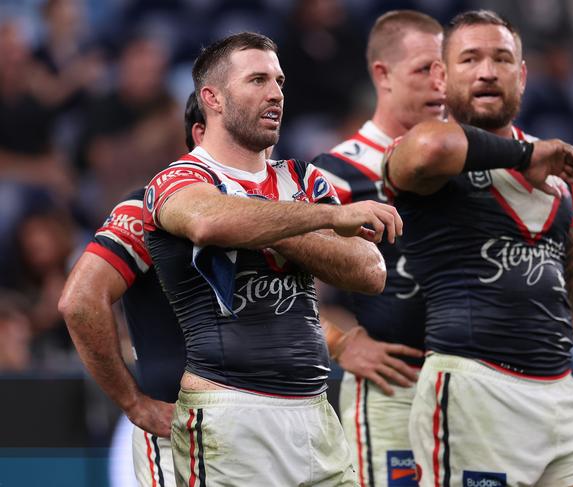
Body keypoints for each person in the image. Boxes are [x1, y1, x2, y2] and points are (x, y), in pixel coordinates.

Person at [383, 10, 573, 486]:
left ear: (522, 76)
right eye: (470, 59)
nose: (487, 70)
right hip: (474, 392)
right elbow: (430, 147)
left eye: (502, 58)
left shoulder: (559, 178)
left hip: (559, 394)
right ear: (441, 77)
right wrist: (527, 155)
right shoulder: (427, 153)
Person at [142, 32, 402, 486]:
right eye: (257, 80)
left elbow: (369, 271)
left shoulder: (299, 178)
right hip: (229, 417)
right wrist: (317, 220)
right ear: (213, 98)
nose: (276, 93)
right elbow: (208, 222)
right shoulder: (178, 178)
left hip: (314, 412)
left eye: (279, 81)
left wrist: (268, 223)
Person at [312, 10, 444, 487]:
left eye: (444, 69)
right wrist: (341, 343)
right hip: (392, 389)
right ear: (382, 75)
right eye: (424, 69)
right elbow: (271, 283)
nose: (440, 84)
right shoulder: (336, 173)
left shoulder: (464, 167)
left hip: (469, 389)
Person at [59, 92, 206, 487]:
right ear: (198, 134)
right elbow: (79, 301)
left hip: (270, 424)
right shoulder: (143, 208)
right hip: (175, 422)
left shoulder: (273, 205)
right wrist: (132, 401)